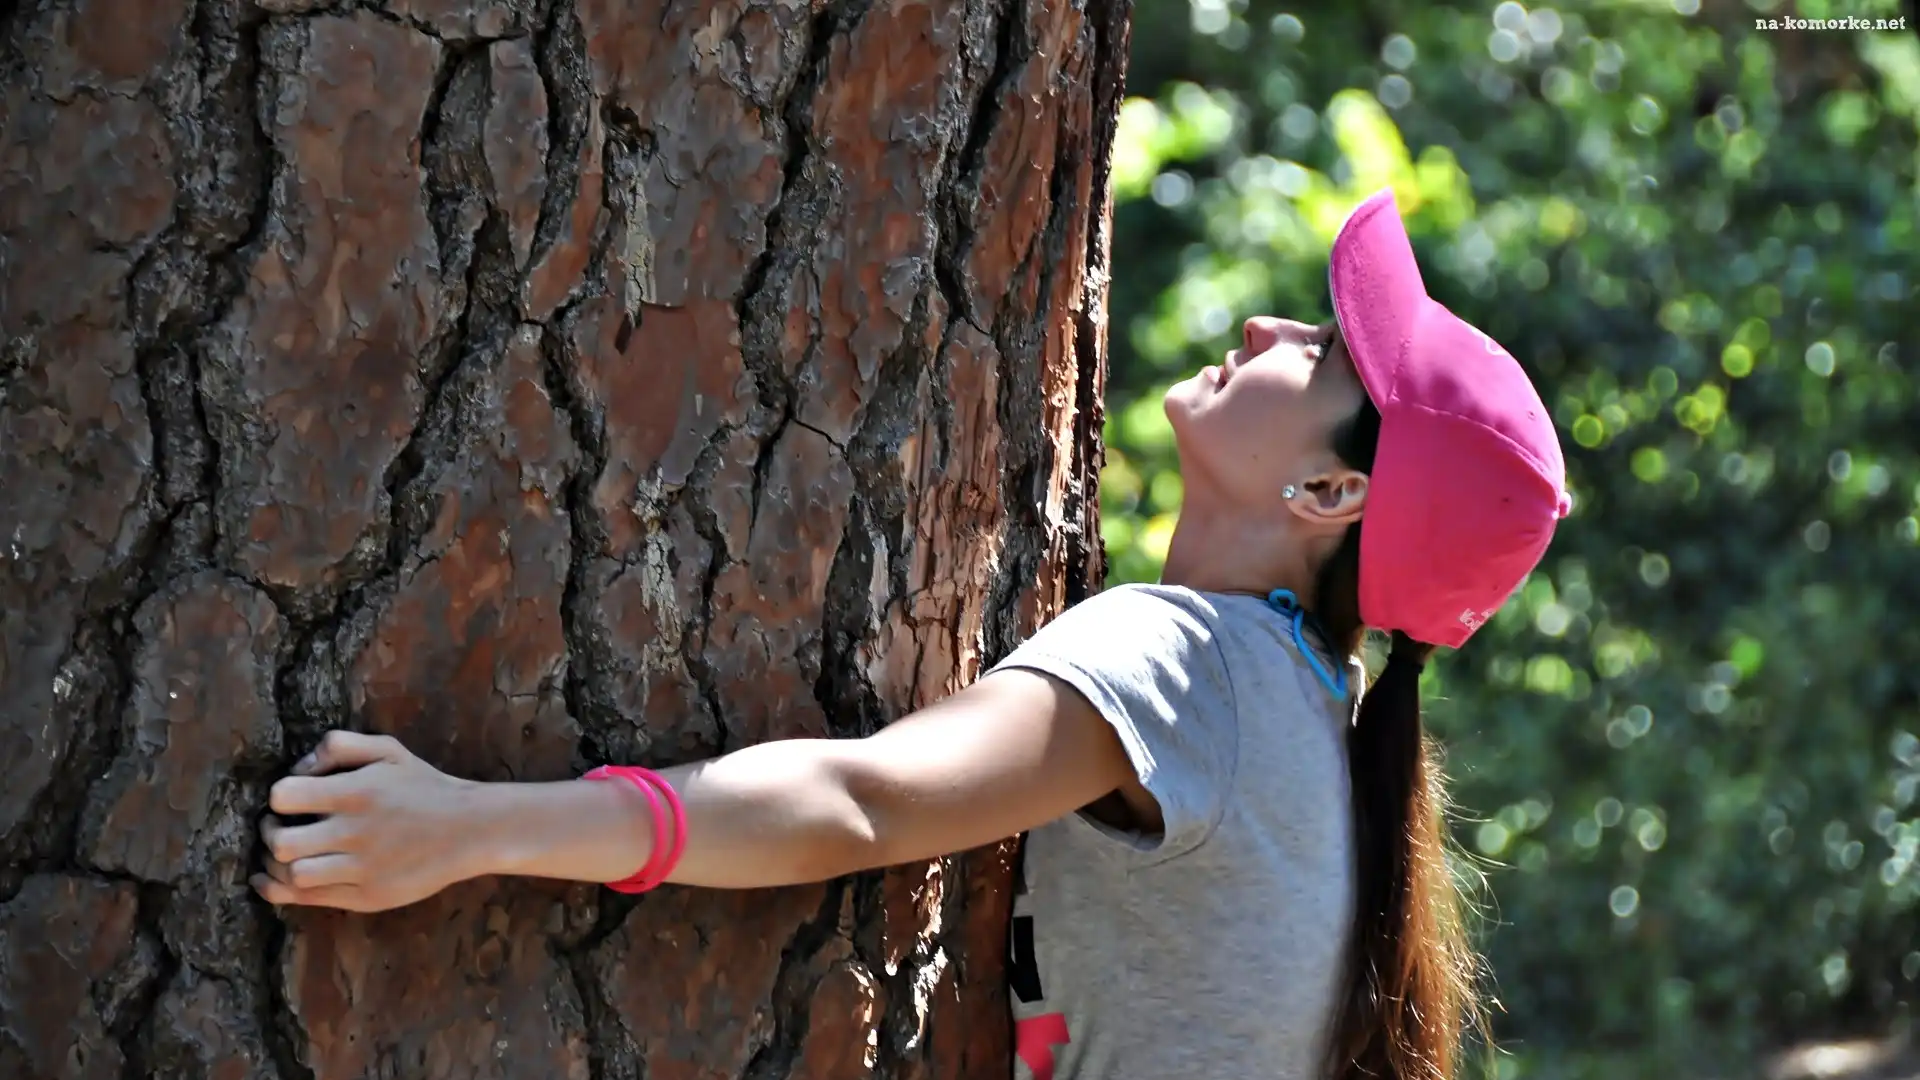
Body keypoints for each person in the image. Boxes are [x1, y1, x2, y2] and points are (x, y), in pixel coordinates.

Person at [251, 188, 1570, 1080]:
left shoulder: (1190, 668)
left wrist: (468, 827)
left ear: (1330, 493)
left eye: (1321, 351)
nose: (1266, 325)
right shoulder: (1304, 715)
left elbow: (859, 805)